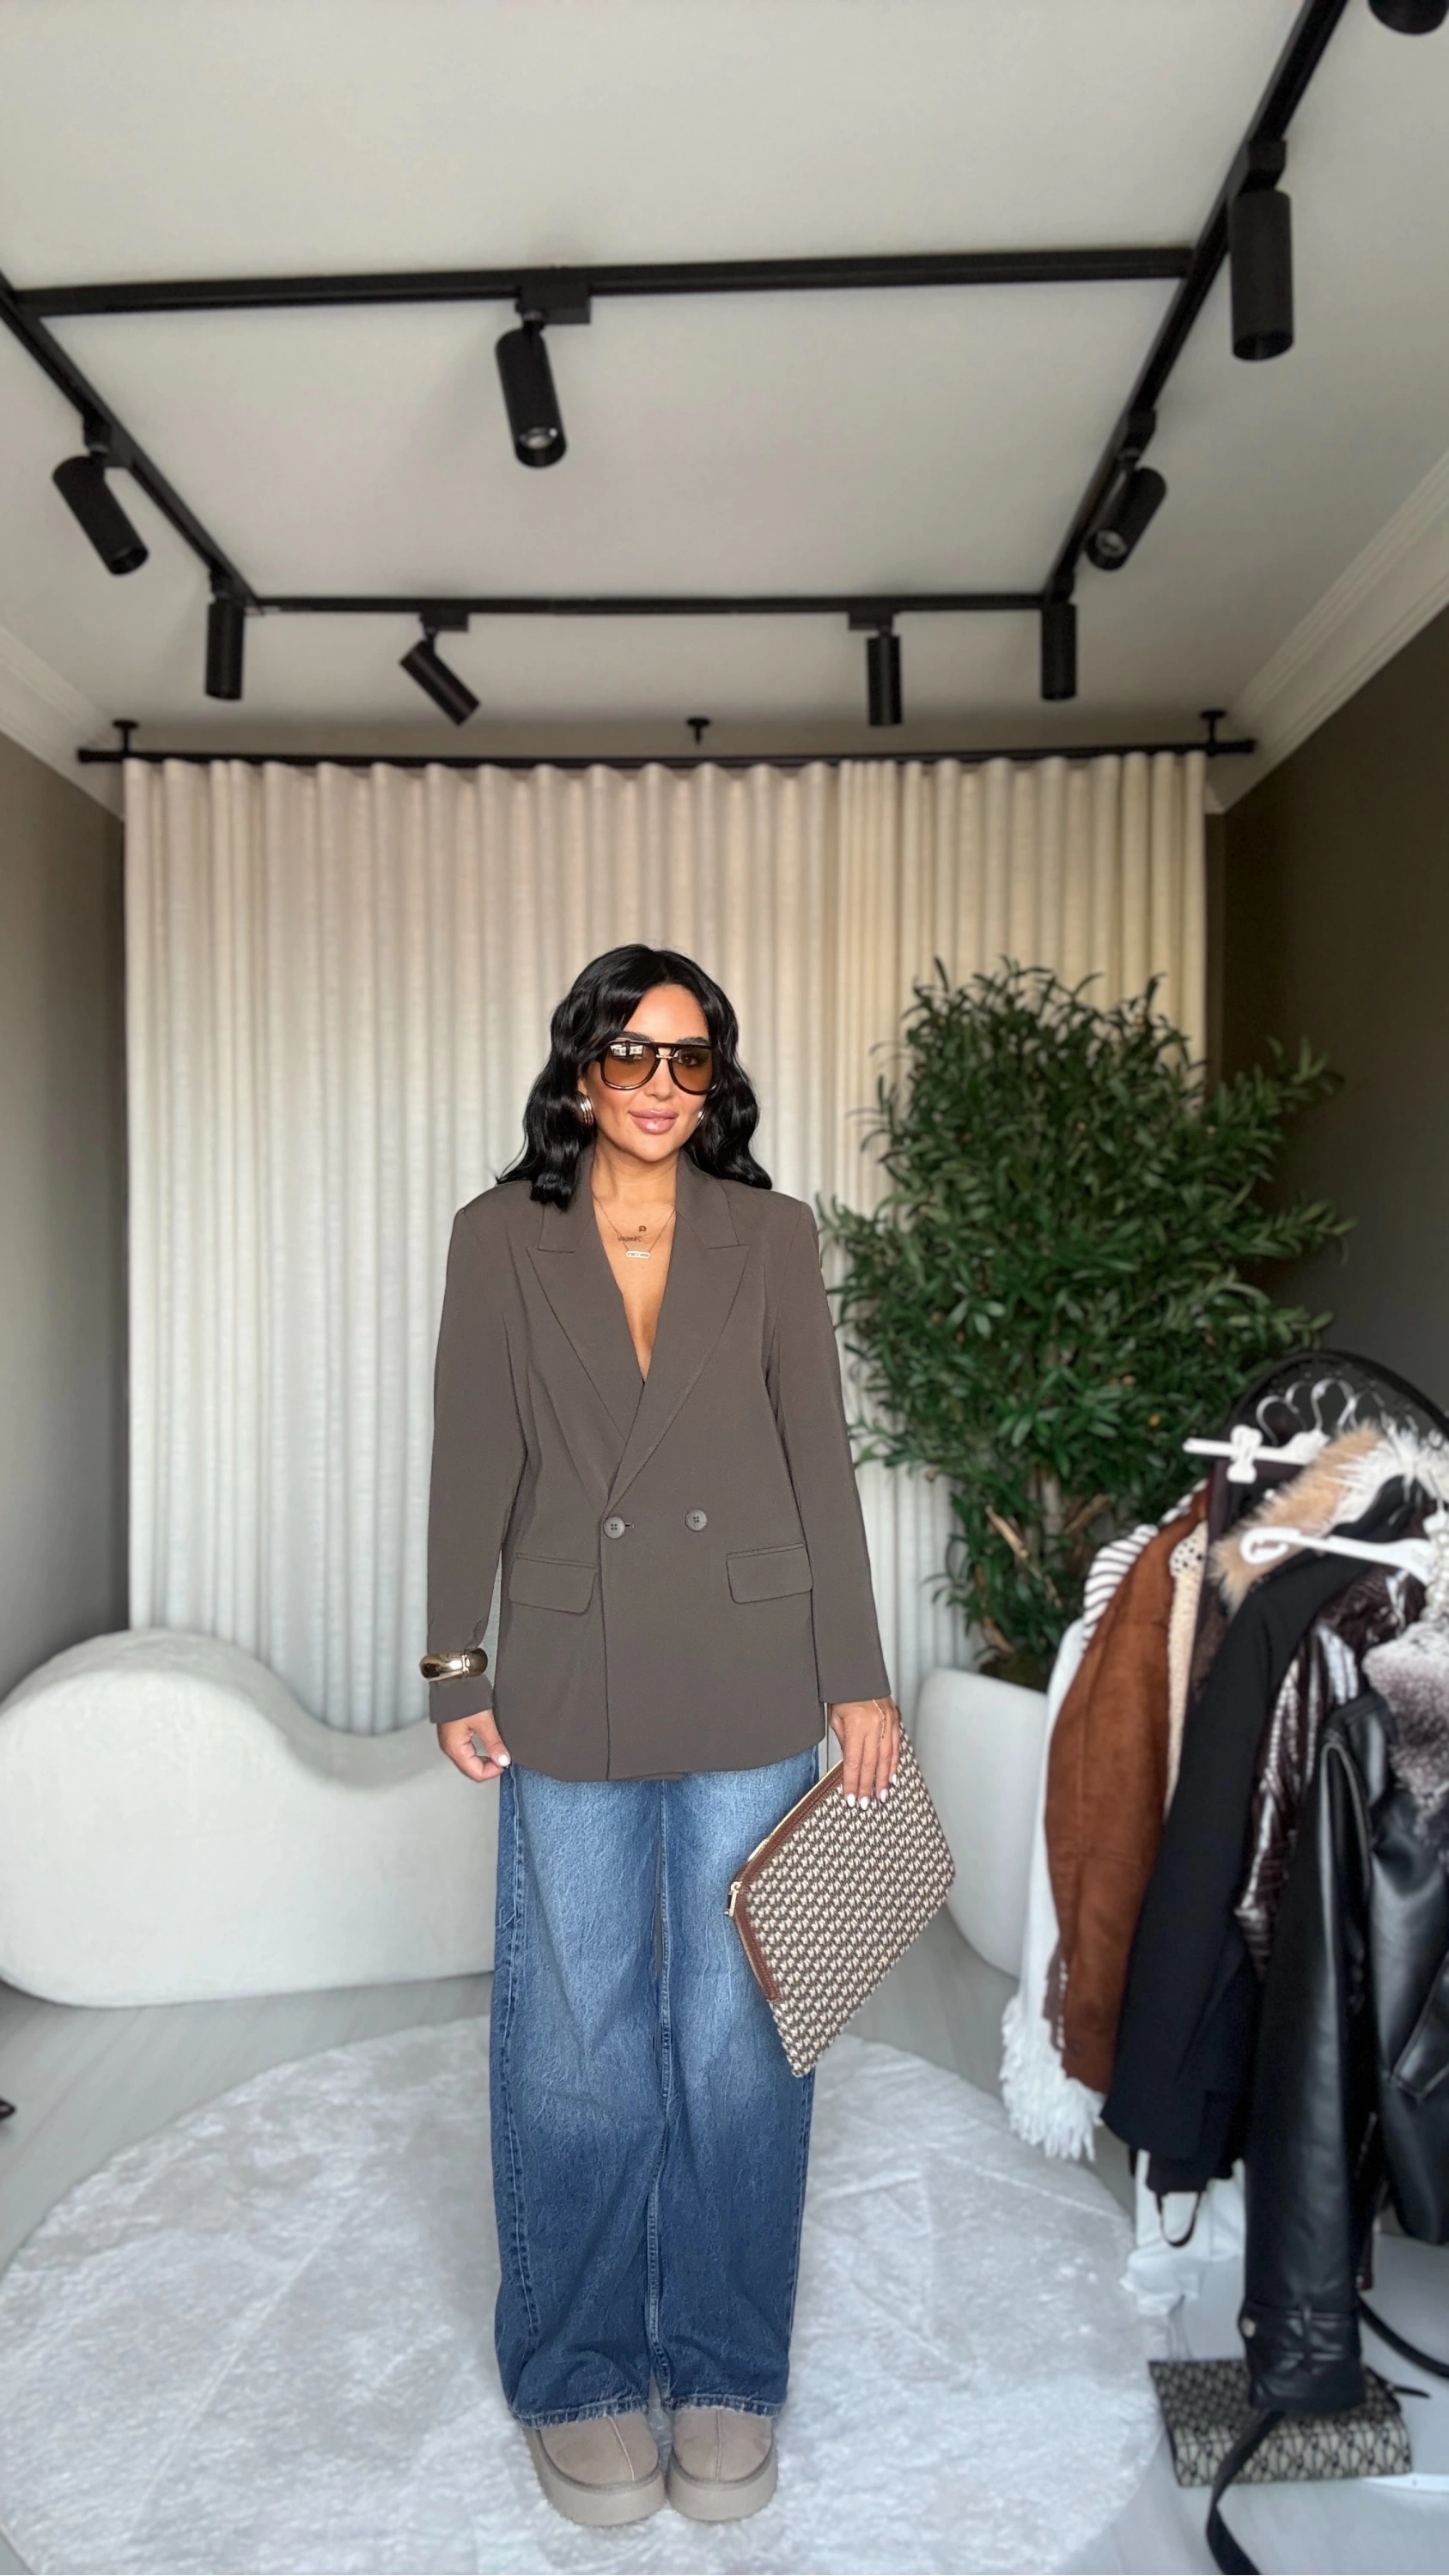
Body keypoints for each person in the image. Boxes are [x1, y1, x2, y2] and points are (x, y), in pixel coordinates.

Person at [423, 942, 898, 2530]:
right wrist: (455, 1662)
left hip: (755, 1667)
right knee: (579, 2036)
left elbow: (818, 1456)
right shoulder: (499, 1234)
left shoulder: (774, 1233)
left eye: (687, 1059)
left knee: (737, 2034)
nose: (657, 1086)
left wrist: (858, 1676)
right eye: (629, 1053)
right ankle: (574, 2372)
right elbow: (472, 1453)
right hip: (569, 1666)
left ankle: (725, 2367)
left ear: (716, 1081)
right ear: (580, 1069)